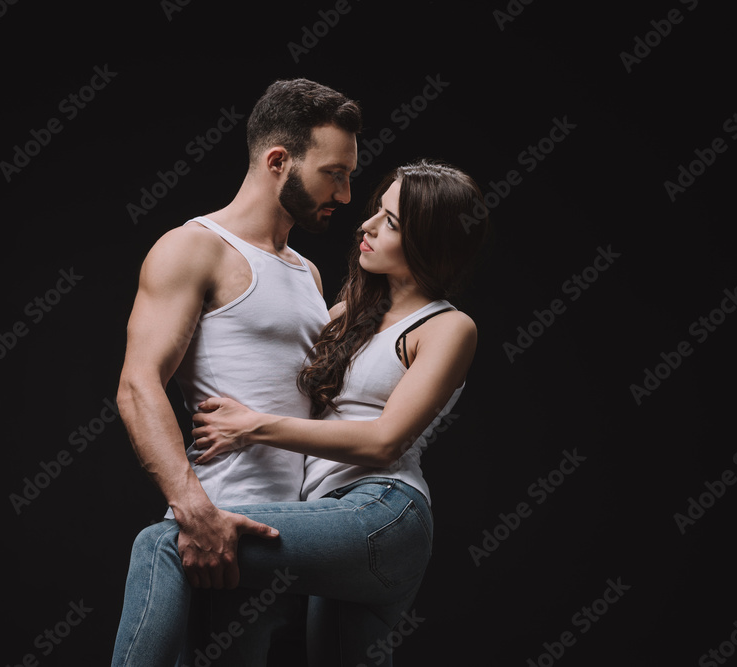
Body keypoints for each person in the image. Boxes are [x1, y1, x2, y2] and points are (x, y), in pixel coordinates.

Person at [111, 159, 489, 666]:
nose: (367, 224)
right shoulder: (347, 315)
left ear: (432, 241)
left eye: (392, 223)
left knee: (164, 543)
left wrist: (253, 427)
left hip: (383, 512)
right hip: (326, 514)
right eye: (377, 210)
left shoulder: (448, 327)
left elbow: (384, 441)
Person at [114, 78, 362, 663]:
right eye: (335, 173)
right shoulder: (194, 247)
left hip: (295, 546)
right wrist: (192, 511)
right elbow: (136, 384)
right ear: (279, 161)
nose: (346, 194)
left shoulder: (307, 273)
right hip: (222, 542)